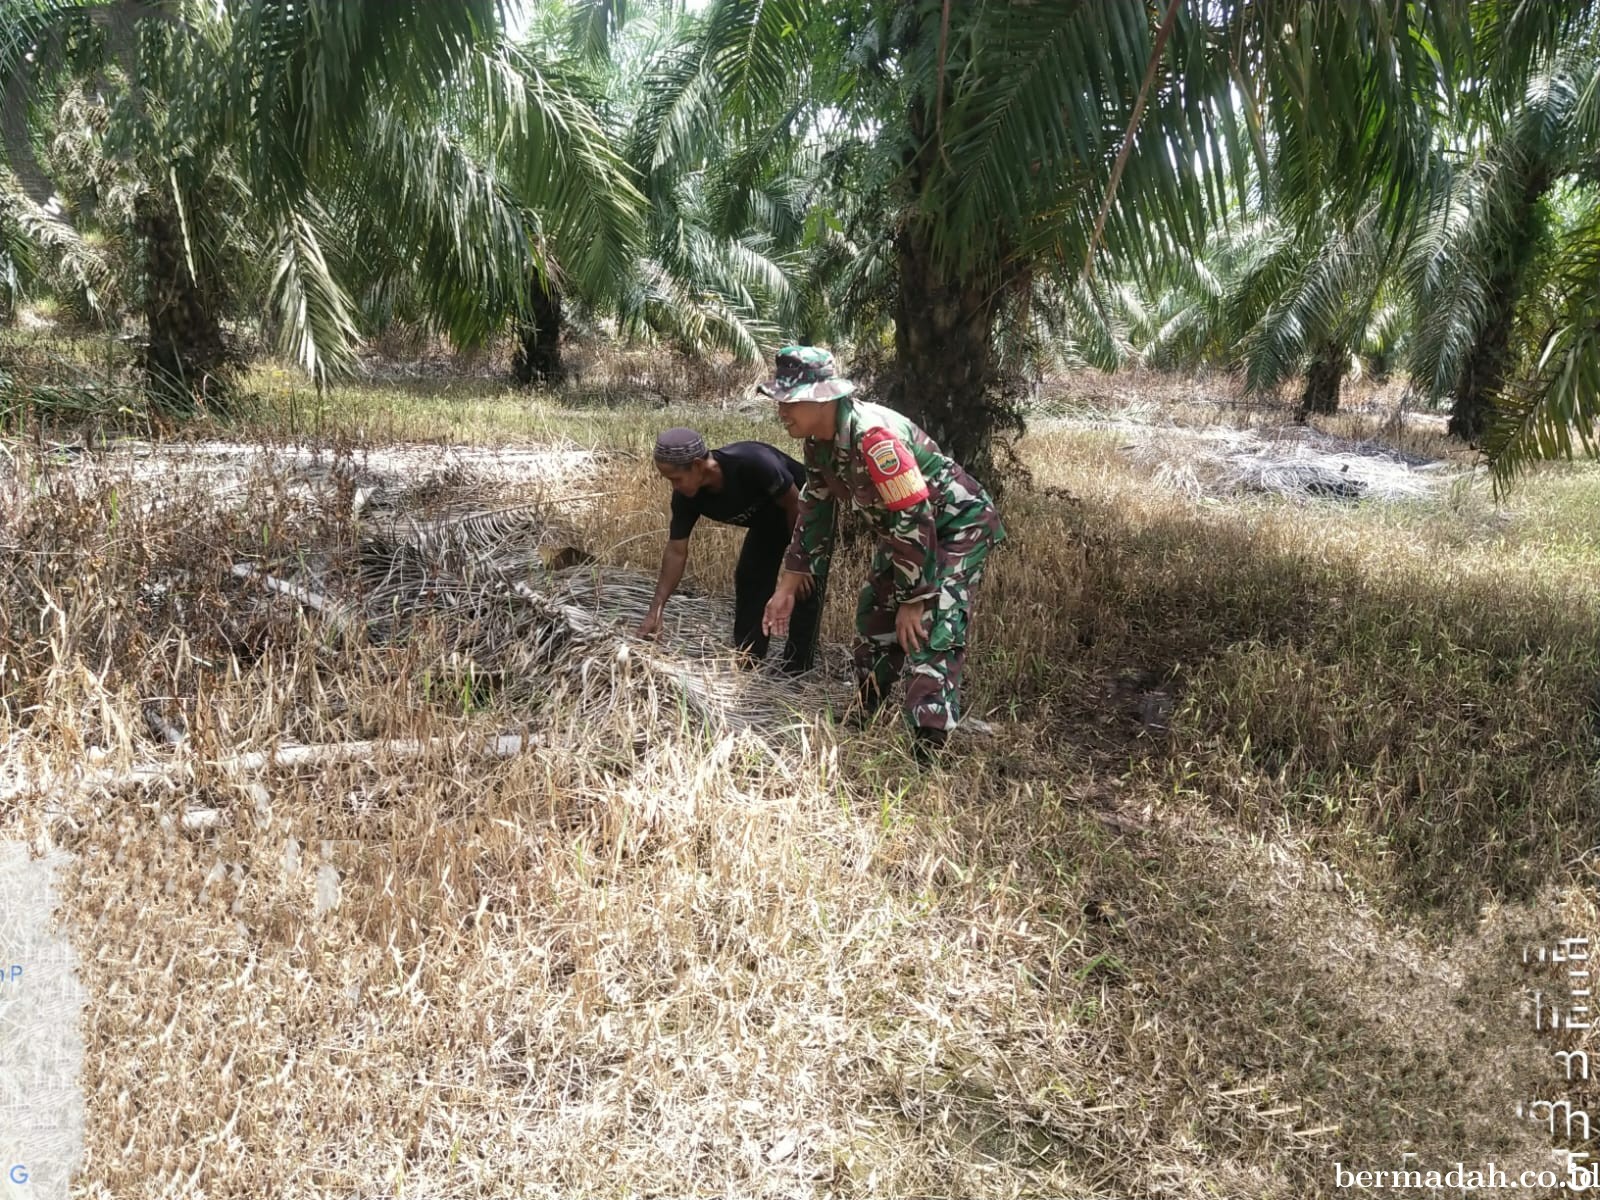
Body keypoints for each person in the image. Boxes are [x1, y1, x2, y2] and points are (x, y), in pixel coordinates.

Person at [758, 346, 1005, 760]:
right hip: (906, 533)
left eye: (791, 400)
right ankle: (864, 709)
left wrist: (916, 597)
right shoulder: (819, 443)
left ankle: (928, 747)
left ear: (824, 397)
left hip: (954, 525)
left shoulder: (875, 438)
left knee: (932, 626)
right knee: (875, 615)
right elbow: (814, 508)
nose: (782, 410)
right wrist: (790, 578)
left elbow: (916, 517)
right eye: (779, 400)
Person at [639, 427, 821, 674]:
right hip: (767, 521)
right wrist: (656, 609)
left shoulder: (752, 462)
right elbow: (676, 551)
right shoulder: (686, 498)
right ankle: (749, 659)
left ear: (696, 465)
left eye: (675, 478)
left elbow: (793, 504)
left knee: (806, 586)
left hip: (806, 514)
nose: (674, 486)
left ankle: (797, 668)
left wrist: (798, 561)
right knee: (750, 579)